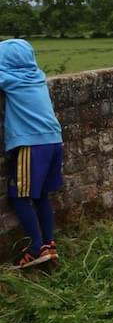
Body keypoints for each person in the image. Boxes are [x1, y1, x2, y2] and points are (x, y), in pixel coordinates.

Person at [0, 40, 64, 269]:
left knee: (18, 195)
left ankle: (36, 247)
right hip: (54, 140)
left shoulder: (8, 79)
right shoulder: (37, 75)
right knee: (41, 196)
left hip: (32, 144)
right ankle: (49, 244)